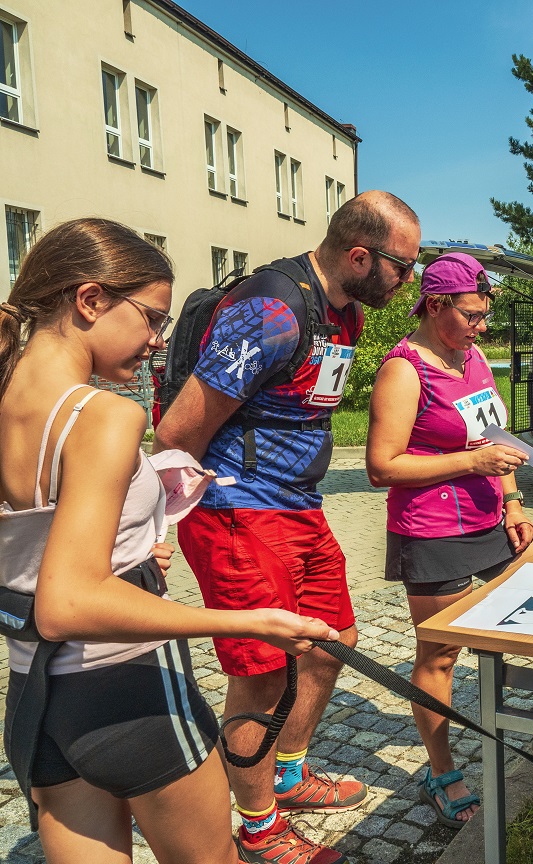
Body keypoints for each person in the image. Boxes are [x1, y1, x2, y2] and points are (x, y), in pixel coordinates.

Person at [0, 218, 337, 864]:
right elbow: (67, 603)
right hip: (131, 691)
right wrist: (249, 620)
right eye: (152, 317)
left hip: (37, 701)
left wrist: (135, 530)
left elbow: (45, 543)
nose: (159, 341)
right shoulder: (103, 416)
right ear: (90, 299)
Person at [154, 190, 420, 863]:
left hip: (298, 507)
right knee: (264, 670)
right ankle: (257, 824)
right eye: (402, 267)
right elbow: (179, 429)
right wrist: (156, 526)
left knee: (334, 643)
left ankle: (289, 773)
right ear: (360, 255)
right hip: (238, 512)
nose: (407, 281)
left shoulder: (345, 314)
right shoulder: (272, 311)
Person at [365, 252, 533, 827]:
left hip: (490, 519)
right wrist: (473, 460)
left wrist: (513, 499)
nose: (481, 327)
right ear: (434, 304)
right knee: (441, 652)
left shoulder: (475, 360)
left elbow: (496, 437)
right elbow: (381, 466)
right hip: (433, 530)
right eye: (471, 315)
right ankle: (443, 770)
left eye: (484, 315)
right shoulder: (404, 369)